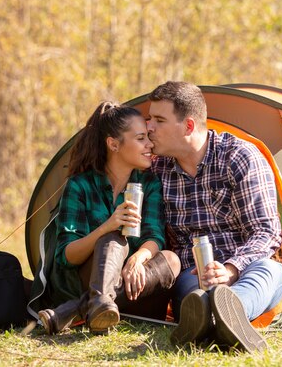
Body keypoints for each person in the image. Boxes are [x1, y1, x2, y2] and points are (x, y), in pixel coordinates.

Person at [147, 81, 282, 353]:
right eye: (150, 118)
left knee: (271, 272)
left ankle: (227, 313)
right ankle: (216, 320)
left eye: (159, 120)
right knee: (193, 296)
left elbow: (266, 231)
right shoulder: (157, 170)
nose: (149, 127)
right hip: (194, 272)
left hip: (249, 265)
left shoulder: (239, 156)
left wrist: (231, 268)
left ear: (188, 126)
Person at [34, 101, 180, 335]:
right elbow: (67, 256)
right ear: (113, 144)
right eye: (140, 138)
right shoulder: (80, 185)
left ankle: (76, 311)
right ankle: (97, 303)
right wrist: (107, 226)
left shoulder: (148, 183)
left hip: (135, 284)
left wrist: (139, 258)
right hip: (86, 277)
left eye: (148, 138)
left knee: (172, 259)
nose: (149, 145)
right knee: (112, 240)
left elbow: (154, 235)